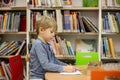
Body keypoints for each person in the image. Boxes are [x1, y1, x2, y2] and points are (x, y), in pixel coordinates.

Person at [30, 15, 78, 80]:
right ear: (41, 30)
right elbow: (46, 65)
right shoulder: (38, 44)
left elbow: (54, 61)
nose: (53, 35)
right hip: (38, 77)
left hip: (47, 75)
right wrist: (64, 68)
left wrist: (66, 66)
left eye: (54, 32)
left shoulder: (47, 44)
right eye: (51, 32)